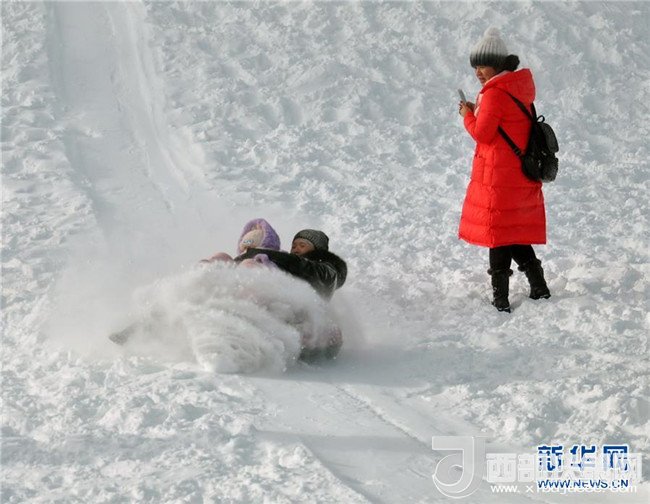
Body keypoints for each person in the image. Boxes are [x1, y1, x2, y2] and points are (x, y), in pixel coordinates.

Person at [458, 27, 551, 313]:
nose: (478, 72)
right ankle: (539, 286)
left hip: (499, 176)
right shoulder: (516, 88)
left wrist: (467, 115)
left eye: (483, 66)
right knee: (512, 232)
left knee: (498, 233)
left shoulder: (495, 94)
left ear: (497, 65)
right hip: (519, 173)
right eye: (475, 67)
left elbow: (483, 134)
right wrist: (478, 110)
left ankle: (500, 298)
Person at [236, 229, 347, 361]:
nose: (296, 249)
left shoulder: (328, 270)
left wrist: (259, 253)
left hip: (304, 327)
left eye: (302, 245)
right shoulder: (288, 265)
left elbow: (305, 267)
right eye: (293, 246)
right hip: (277, 318)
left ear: (317, 249)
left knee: (250, 266)